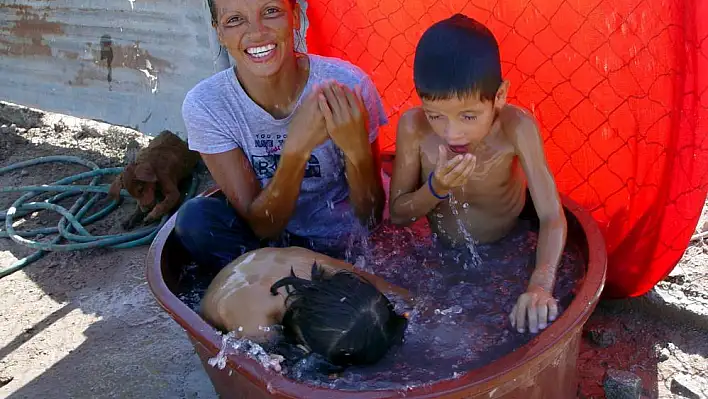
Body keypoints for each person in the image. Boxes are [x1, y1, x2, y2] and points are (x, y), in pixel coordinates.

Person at [388, 14, 568, 336]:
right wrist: (436, 187)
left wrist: (540, 284)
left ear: (499, 96)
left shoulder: (516, 128)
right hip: (440, 252)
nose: (451, 132)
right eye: (436, 116)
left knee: (516, 328)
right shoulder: (413, 128)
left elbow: (552, 215)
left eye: (468, 115)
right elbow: (399, 215)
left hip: (507, 250)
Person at [174, 0, 388, 270]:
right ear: (219, 32)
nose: (257, 32)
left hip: (344, 248)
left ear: (295, 17)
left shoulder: (347, 85)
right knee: (196, 220)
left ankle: (296, 297)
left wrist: (357, 153)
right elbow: (263, 227)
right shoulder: (208, 105)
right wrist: (296, 150)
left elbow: (372, 216)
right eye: (235, 20)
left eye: (271, 12)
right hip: (272, 253)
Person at [200, 246, 410, 368]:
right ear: (305, 342)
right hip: (224, 293)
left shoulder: (317, 267)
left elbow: (398, 295)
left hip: (249, 262)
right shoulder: (257, 329)